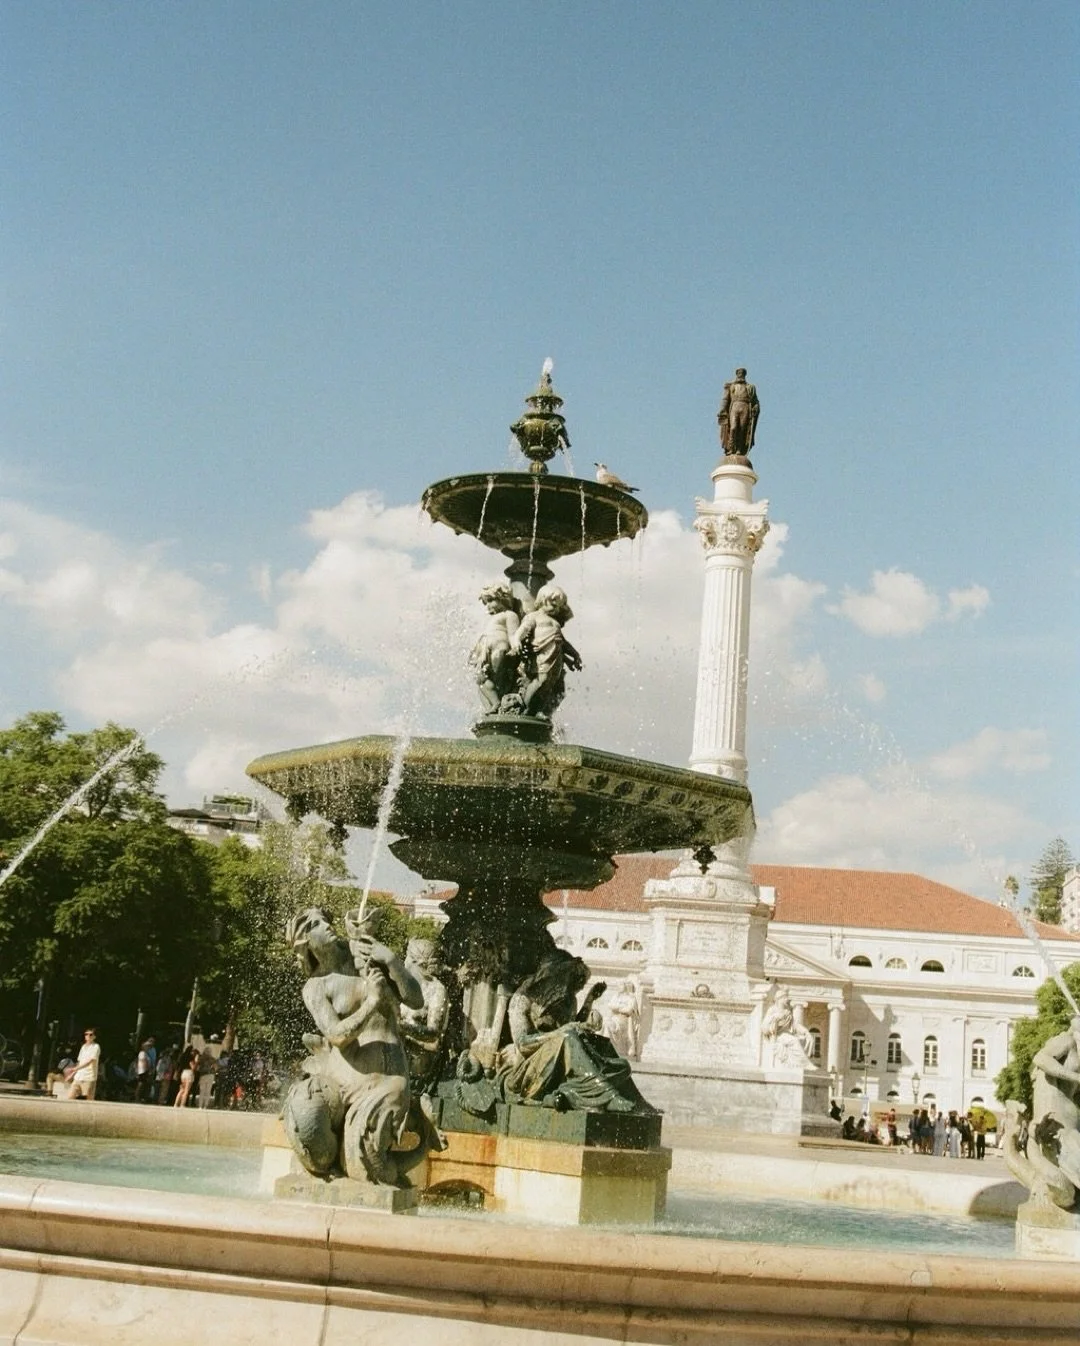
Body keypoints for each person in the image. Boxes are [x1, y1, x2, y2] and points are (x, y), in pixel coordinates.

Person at [282, 906, 437, 1186]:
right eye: (316, 925)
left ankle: (423, 1138)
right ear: (306, 945)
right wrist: (371, 1002)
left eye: (326, 920)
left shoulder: (363, 954)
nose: (327, 925)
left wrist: (391, 961)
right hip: (340, 1077)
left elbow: (415, 1000)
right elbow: (337, 1036)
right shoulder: (315, 987)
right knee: (306, 1116)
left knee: (366, 1165)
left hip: (384, 1074)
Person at [495, 949, 655, 1114]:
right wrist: (561, 1032)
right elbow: (523, 1044)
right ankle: (607, 1096)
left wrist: (589, 1004)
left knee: (616, 1059)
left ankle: (568, 1093)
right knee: (568, 1037)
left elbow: (573, 1035)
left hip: (560, 1063)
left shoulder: (567, 1001)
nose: (571, 985)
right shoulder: (522, 999)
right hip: (530, 1071)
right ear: (551, 975)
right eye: (567, 976)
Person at [509, 584, 582, 719]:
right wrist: (517, 640)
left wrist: (575, 654)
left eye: (559, 606)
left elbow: (563, 643)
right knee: (540, 681)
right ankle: (526, 709)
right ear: (542, 599)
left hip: (556, 659)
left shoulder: (555, 623)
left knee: (550, 685)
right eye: (553, 604)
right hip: (541, 657)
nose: (556, 608)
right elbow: (522, 630)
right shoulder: (534, 616)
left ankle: (539, 710)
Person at [469, 583, 521, 712]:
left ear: (502, 598)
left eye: (491, 601)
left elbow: (513, 633)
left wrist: (514, 647)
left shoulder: (509, 614)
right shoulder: (493, 617)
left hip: (499, 647)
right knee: (480, 678)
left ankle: (499, 703)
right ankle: (494, 705)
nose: (488, 606)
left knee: (497, 679)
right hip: (485, 649)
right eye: (486, 602)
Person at [718, 368, 760, 457]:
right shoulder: (731, 386)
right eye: (739, 373)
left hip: (745, 406)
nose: (740, 375)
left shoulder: (750, 387)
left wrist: (755, 407)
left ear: (745, 375)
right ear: (736, 374)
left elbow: (755, 401)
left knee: (742, 428)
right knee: (733, 428)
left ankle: (739, 449)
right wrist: (723, 410)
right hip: (734, 406)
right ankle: (731, 448)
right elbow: (725, 399)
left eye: (742, 373)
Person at [65, 1027, 100, 1100]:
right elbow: (79, 1062)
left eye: (91, 1034)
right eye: (86, 1034)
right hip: (78, 1077)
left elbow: (90, 1062)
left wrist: (74, 1069)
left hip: (89, 1078)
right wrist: (72, 1075)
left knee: (88, 1101)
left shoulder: (96, 1047)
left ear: (94, 1036)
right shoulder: (83, 1047)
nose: (88, 1036)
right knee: (70, 1098)